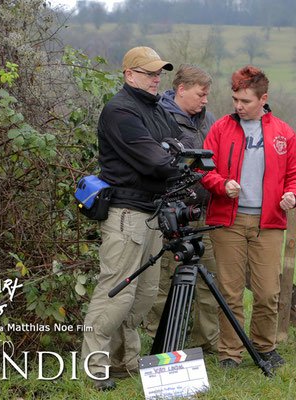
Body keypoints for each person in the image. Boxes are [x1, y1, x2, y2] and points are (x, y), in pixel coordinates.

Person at [80, 46, 193, 391]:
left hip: (154, 212)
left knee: (143, 295)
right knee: (116, 293)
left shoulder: (157, 108)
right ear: (129, 75)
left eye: (159, 73)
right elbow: (158, 161)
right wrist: (174, 159)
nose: (156, 78)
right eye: (149, 73)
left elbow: (180, 149)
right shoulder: (119, 111)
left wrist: (175, 158)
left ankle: (125, 363)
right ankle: (92, 369)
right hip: (126, 214)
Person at [200, 66, 296, 369]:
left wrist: (293, 196)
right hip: (227, 222)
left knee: (268, 292)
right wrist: (221, 184)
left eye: (245, 101)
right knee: (229, 291)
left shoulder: (284, 133)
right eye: (235, 99)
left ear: (263, 99)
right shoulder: (220, 128)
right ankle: (230, 354)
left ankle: (264, 348)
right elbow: (204, 169)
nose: (238, 106)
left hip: (268, 223)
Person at [144, 64, 219, 354]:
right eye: (201, 94)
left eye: (208, 95)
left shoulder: (208, 120)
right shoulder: (159, 118)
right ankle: (156, 343)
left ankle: (207, 343)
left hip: (201, 212)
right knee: (164, 282)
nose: (205, 100)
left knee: (207, 279)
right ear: (182, 89)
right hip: (170, 215)